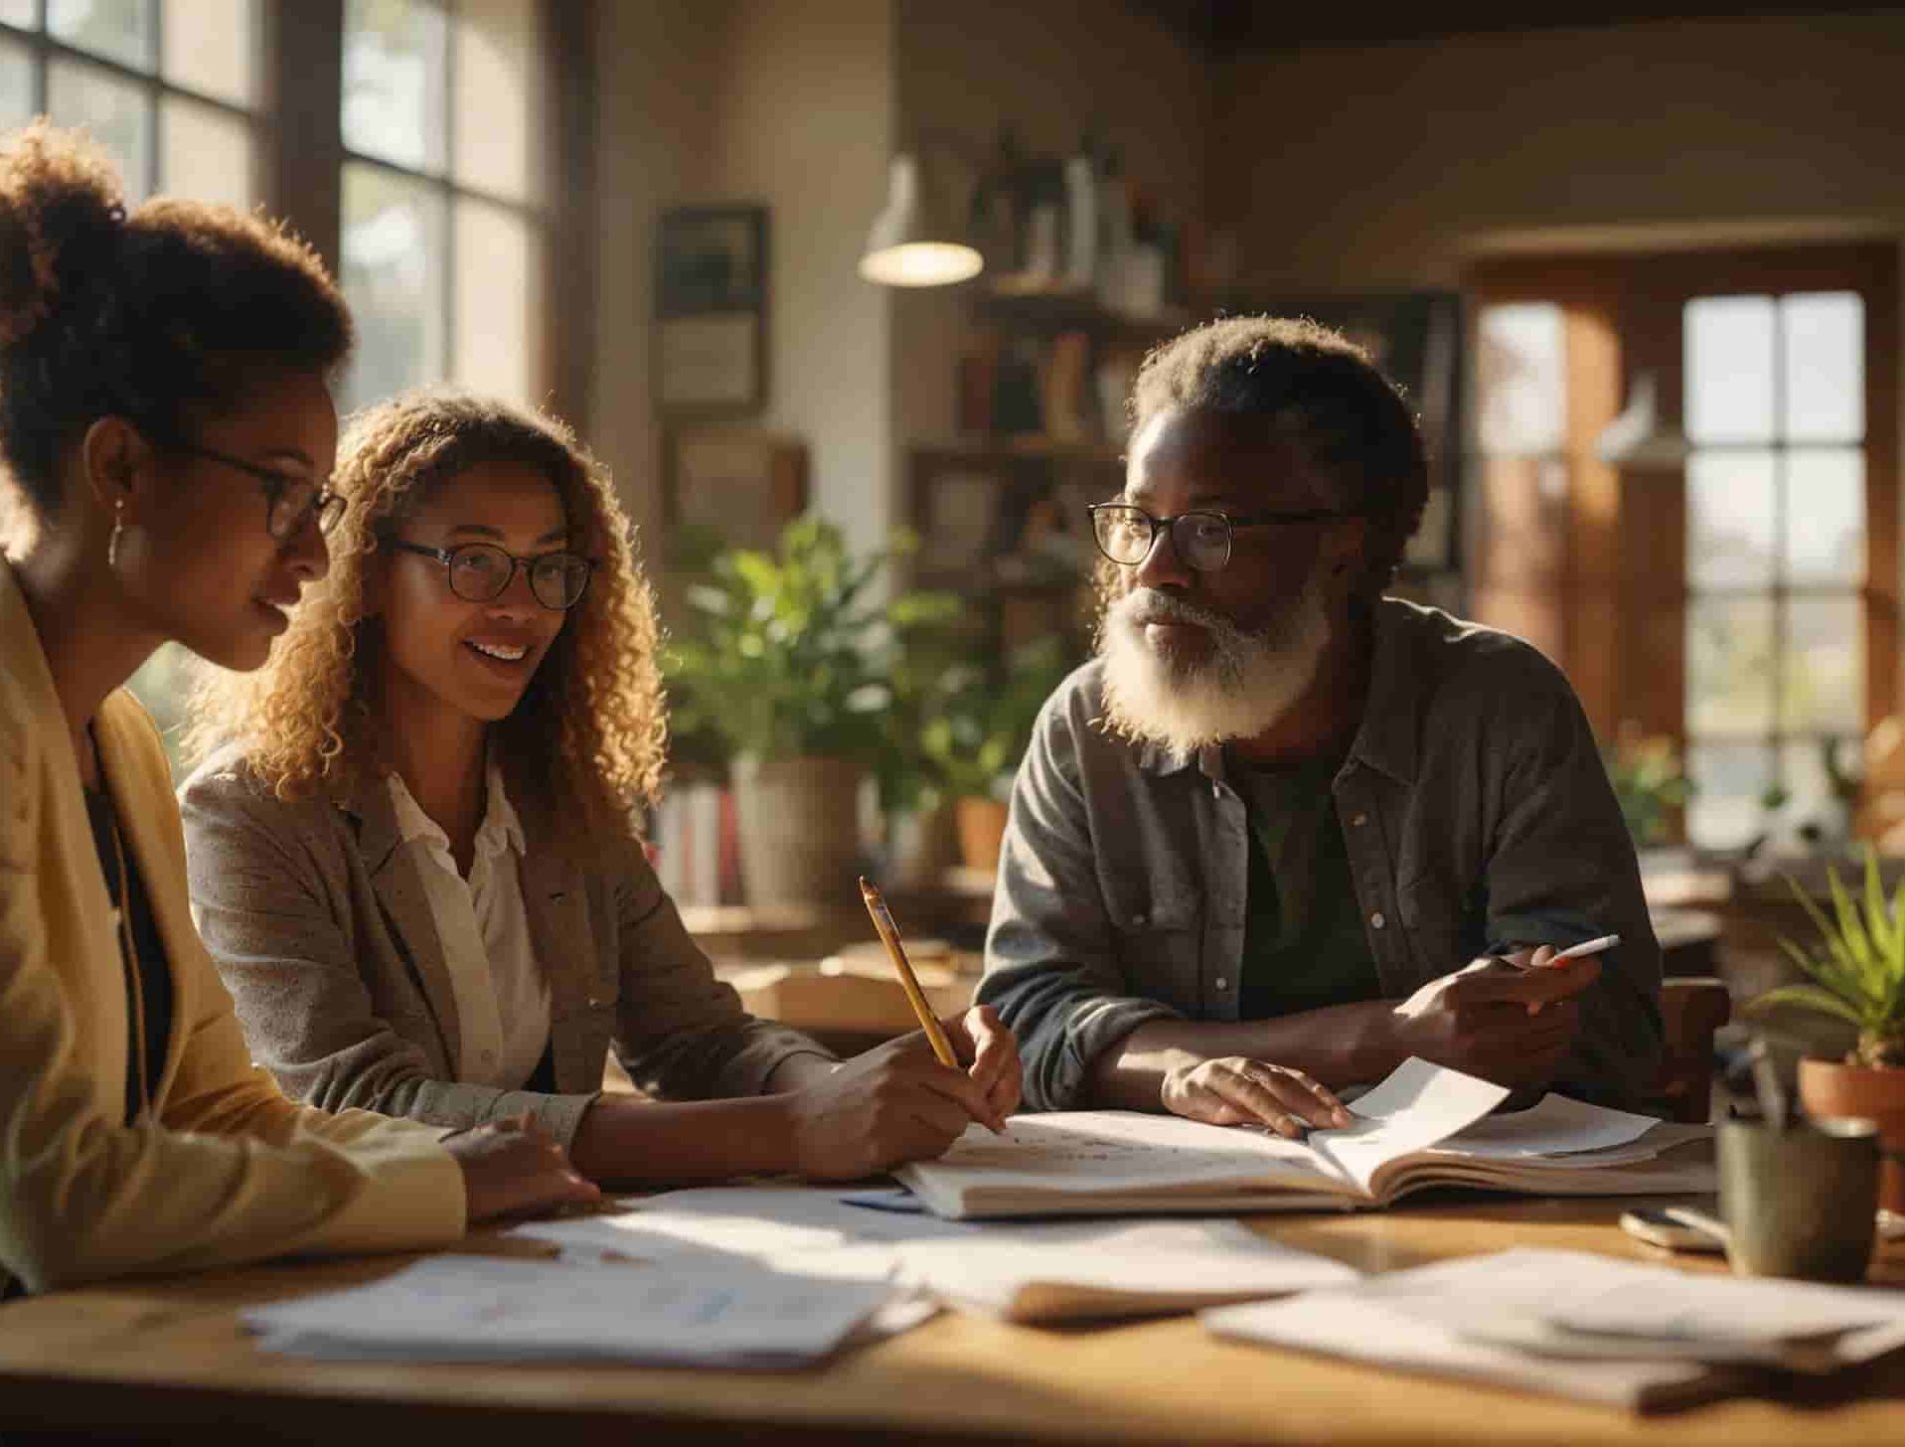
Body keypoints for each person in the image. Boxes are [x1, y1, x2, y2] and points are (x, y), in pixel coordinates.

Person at [0, 125, 591, 1445]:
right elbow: (50, 1192)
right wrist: (444, 1189)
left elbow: (213, 1103)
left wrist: (463, 1164)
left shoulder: (115, 735)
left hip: (12, 1376)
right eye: (285, 491)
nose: (319, 547)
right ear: (122, 467)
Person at [178, 390, 1021, 1185]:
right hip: (348, 1285)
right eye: (475, 561)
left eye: (548, 567)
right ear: (364, 572)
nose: (522, 605)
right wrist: (798, 1123)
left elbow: (698, 1038)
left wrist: (878, 1082)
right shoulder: (251, 813)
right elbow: (358, 1105)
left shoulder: (566, 803)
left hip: (564, 1261)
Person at [978, 315, 1661, 1137]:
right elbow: (1026, 1020)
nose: (1154, 570)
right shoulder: (1085, 731)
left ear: (1342, 545)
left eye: (1209, 528)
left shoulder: (1501, 708)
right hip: (1179, 1211)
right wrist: (1380, 1040)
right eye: (1138, 520)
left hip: (1469, 1199)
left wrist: (1513, 1024)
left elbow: (1606, 1026)